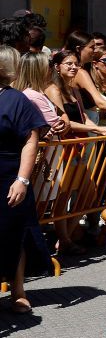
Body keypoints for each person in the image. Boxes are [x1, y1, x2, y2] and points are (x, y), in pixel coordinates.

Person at [0, 45, 47, 314]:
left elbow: (31, 139)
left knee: (14, 233)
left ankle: (18, 290)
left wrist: (22, 179)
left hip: (8, 174)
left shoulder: (16, 99)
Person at [15, 51, 68, 138]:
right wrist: (64, 122)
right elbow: (56, 124)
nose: (51, 69)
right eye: (48, 66)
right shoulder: (33, 95)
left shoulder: (33, 93)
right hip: (45, 148)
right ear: (39, 70)